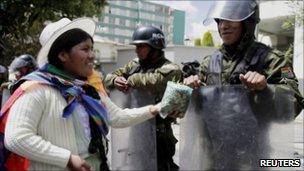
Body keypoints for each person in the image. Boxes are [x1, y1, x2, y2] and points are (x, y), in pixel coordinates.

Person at [2, 18, 183, 171]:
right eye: (85, 49)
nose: (92, 56)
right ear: (63, 55)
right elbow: (16, 137)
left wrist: (157, 108)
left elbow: (118, 117)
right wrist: (67, 158)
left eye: (92, 49)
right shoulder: (35, 89)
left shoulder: (86, 89)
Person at [184, 0, 303, 115]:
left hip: (253, 135)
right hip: (212, 135)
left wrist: (265, 89)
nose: (223, 26)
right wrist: (190, 90)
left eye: (231, 18)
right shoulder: (209, 62)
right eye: (220, 20)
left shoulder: (274, 60)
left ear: (248, 22)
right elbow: (193, 110)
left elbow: (295, 105)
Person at [105, 26, 182, 170]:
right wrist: (115, 80)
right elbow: (108, 78)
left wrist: (132, 79)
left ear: (155, 47)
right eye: (136, 46)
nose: (137, 50)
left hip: (160, 134)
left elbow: (157, 82)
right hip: (136, 130)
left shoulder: (171, 68)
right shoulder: (134, 65)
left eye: (141, 46)